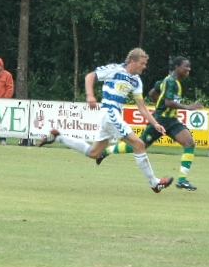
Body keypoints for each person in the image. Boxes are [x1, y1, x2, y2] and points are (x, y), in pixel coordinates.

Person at [37, 48, 174, 193]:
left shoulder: (136, 81)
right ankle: (154, 183)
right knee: (139, 144)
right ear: (132, 61)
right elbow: (90, 76)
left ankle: (58, 136)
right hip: (109, 113)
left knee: (94, 153)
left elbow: (142, 107)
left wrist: (155, 123)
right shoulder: (115, 69)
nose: (144, 66)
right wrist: (90, 95)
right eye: (142, 63)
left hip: (112, 116)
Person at [96, 57, 203, 190]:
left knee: (189, 143)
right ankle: (105, 151)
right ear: (177, 67)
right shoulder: (171, 82)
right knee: (138, 146)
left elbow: (153, 93)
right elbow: (168, 102)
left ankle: (182, 180)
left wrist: (159, 102)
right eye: (186, 66)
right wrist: (188, 107)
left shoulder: (166, 81)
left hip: (172, 121)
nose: (189, 69)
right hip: (160, 120)